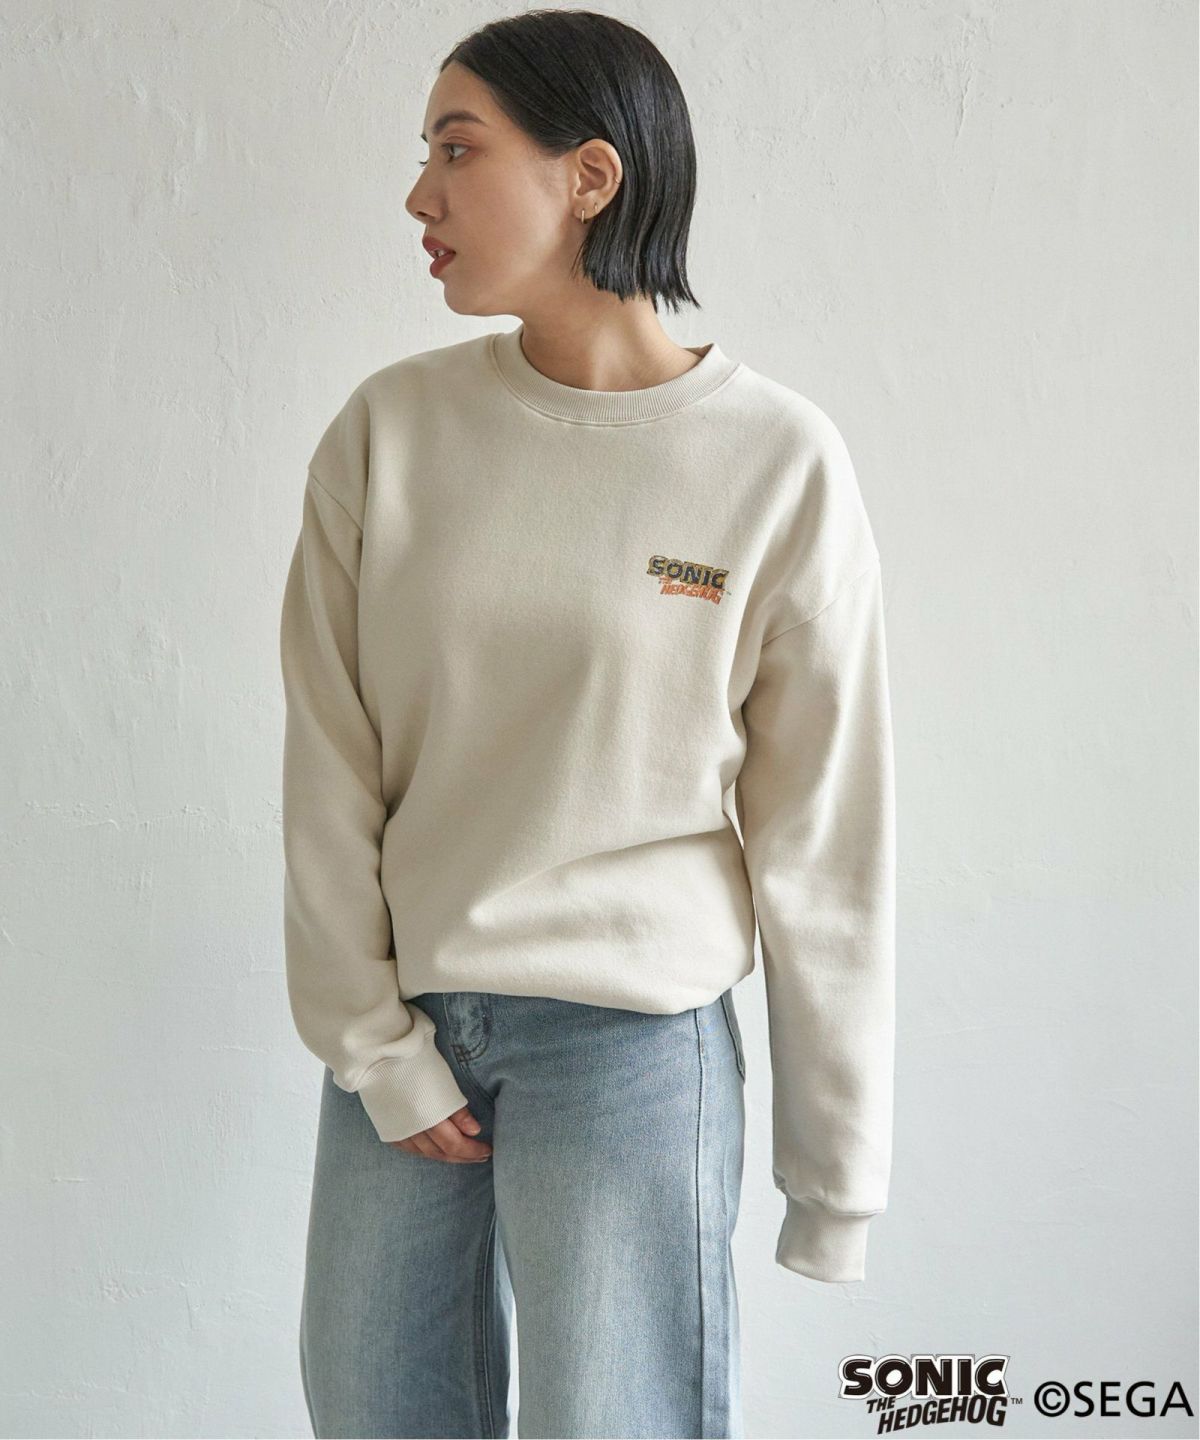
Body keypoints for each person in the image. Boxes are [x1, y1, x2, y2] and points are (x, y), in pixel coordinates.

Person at [279, 10, 896, 1439]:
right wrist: (375, 1045)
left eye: (457, 149)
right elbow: (328, 766)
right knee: (374, 1414)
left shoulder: (776, 461)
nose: (419, 196)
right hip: (406, 1034)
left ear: (591, 177)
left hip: (634, 1051)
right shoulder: (388, 434)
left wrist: (835, 1180)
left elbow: (824, 842)